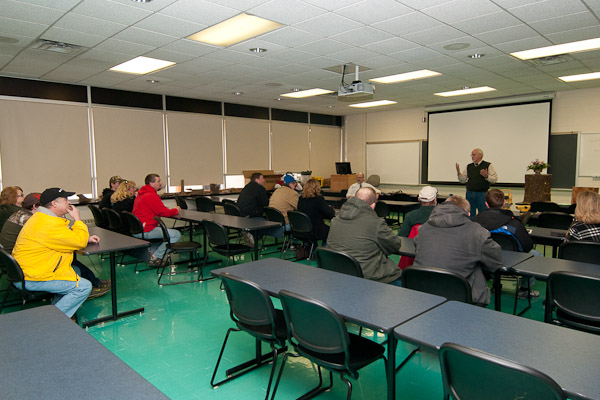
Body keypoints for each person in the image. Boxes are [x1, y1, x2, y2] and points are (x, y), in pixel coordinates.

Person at [12, 188, 100, 317]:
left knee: (76, 270)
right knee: (84, 286)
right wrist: (77, 219)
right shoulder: (49, 224)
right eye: (65, 200)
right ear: (54, 204)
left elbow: (64, 237)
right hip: (33, 277)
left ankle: (57, 309)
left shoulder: (41, 217)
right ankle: (52, 320)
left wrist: (84, 238)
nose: (69, 204)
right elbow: (78, 242)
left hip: (30, 271)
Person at [413, 196, 503, 306]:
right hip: (461, 296)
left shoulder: (423, 228)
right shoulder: (477, 231)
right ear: (468, 213)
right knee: (477, 267)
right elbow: (495, 262)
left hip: (422, 291)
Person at [327, 187, 403, 285]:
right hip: (367, 276)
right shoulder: (376, 223)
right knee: (399, 276)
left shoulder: (336, 220)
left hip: (338, 271)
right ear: (373, 205)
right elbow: (394, 245)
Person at [474, 189, 539, 298]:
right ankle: (524, 289)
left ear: (486, 203)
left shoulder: (476, 221)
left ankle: (496, 285)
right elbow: (527, 246)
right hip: (511, 261)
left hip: (485, 260)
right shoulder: (513, 223)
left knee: (492, 252)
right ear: (504, 203)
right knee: (536, 255)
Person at [132, 174, 181, 266]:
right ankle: (156, 257)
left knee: (165, 232)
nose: (161, 183)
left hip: (140, 228)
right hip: (146, 230)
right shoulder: (150, 195)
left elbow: (158, 209)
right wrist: (175, 210)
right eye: (158, 181)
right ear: (151, 183)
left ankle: (153, 254)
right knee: (175, 234)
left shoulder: (141, 194)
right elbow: (164, 212)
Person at [456, 148, 498, 216]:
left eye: (474, 155)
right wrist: (459, 173)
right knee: (470, 213)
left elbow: (494, 179)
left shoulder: (488, 165)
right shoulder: (469, 166)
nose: (472, 157)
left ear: (480, 155)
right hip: (470, 193)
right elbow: (463, 180)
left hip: (482, 194)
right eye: (472, 155)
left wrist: (486, 176)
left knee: (483, 213)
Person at [297, 178, 335, 243]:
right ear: (317, 187)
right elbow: (330, 213)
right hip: (315, 230)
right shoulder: (318, 199)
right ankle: (324, 249)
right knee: (331, 230)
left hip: (301, 229)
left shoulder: (301, 199)